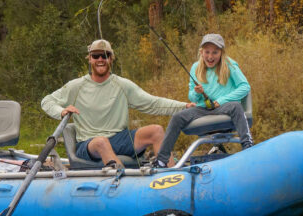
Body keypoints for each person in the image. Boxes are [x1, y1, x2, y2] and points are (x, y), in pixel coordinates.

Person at [41, 39, 188, 173]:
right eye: (96, 56)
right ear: (89, 59)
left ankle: (171, 178)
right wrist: (62, 111)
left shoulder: (123, 85)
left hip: (119, 138)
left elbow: (154, 103)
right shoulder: (76, 86)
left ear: (111, 59)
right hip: (89, 144)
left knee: (156, 131)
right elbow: (47, 102)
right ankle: (126, 186)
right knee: (101, 142)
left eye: (105, 56)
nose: (100, 60)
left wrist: (185, 107)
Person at [154, 32, 252, 167]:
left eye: (215, 53)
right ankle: (161, 160)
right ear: (201, 52)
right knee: (177, 117)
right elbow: (192, 97)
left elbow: (245, 87)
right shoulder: (195, 67)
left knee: (236, 106)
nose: (210, 57)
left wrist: (222, 101)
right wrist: (197, 93)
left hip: (224, 108)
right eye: (207, 52)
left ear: (221, 53)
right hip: (202, 108)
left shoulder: (230, 65)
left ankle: (247, 145)